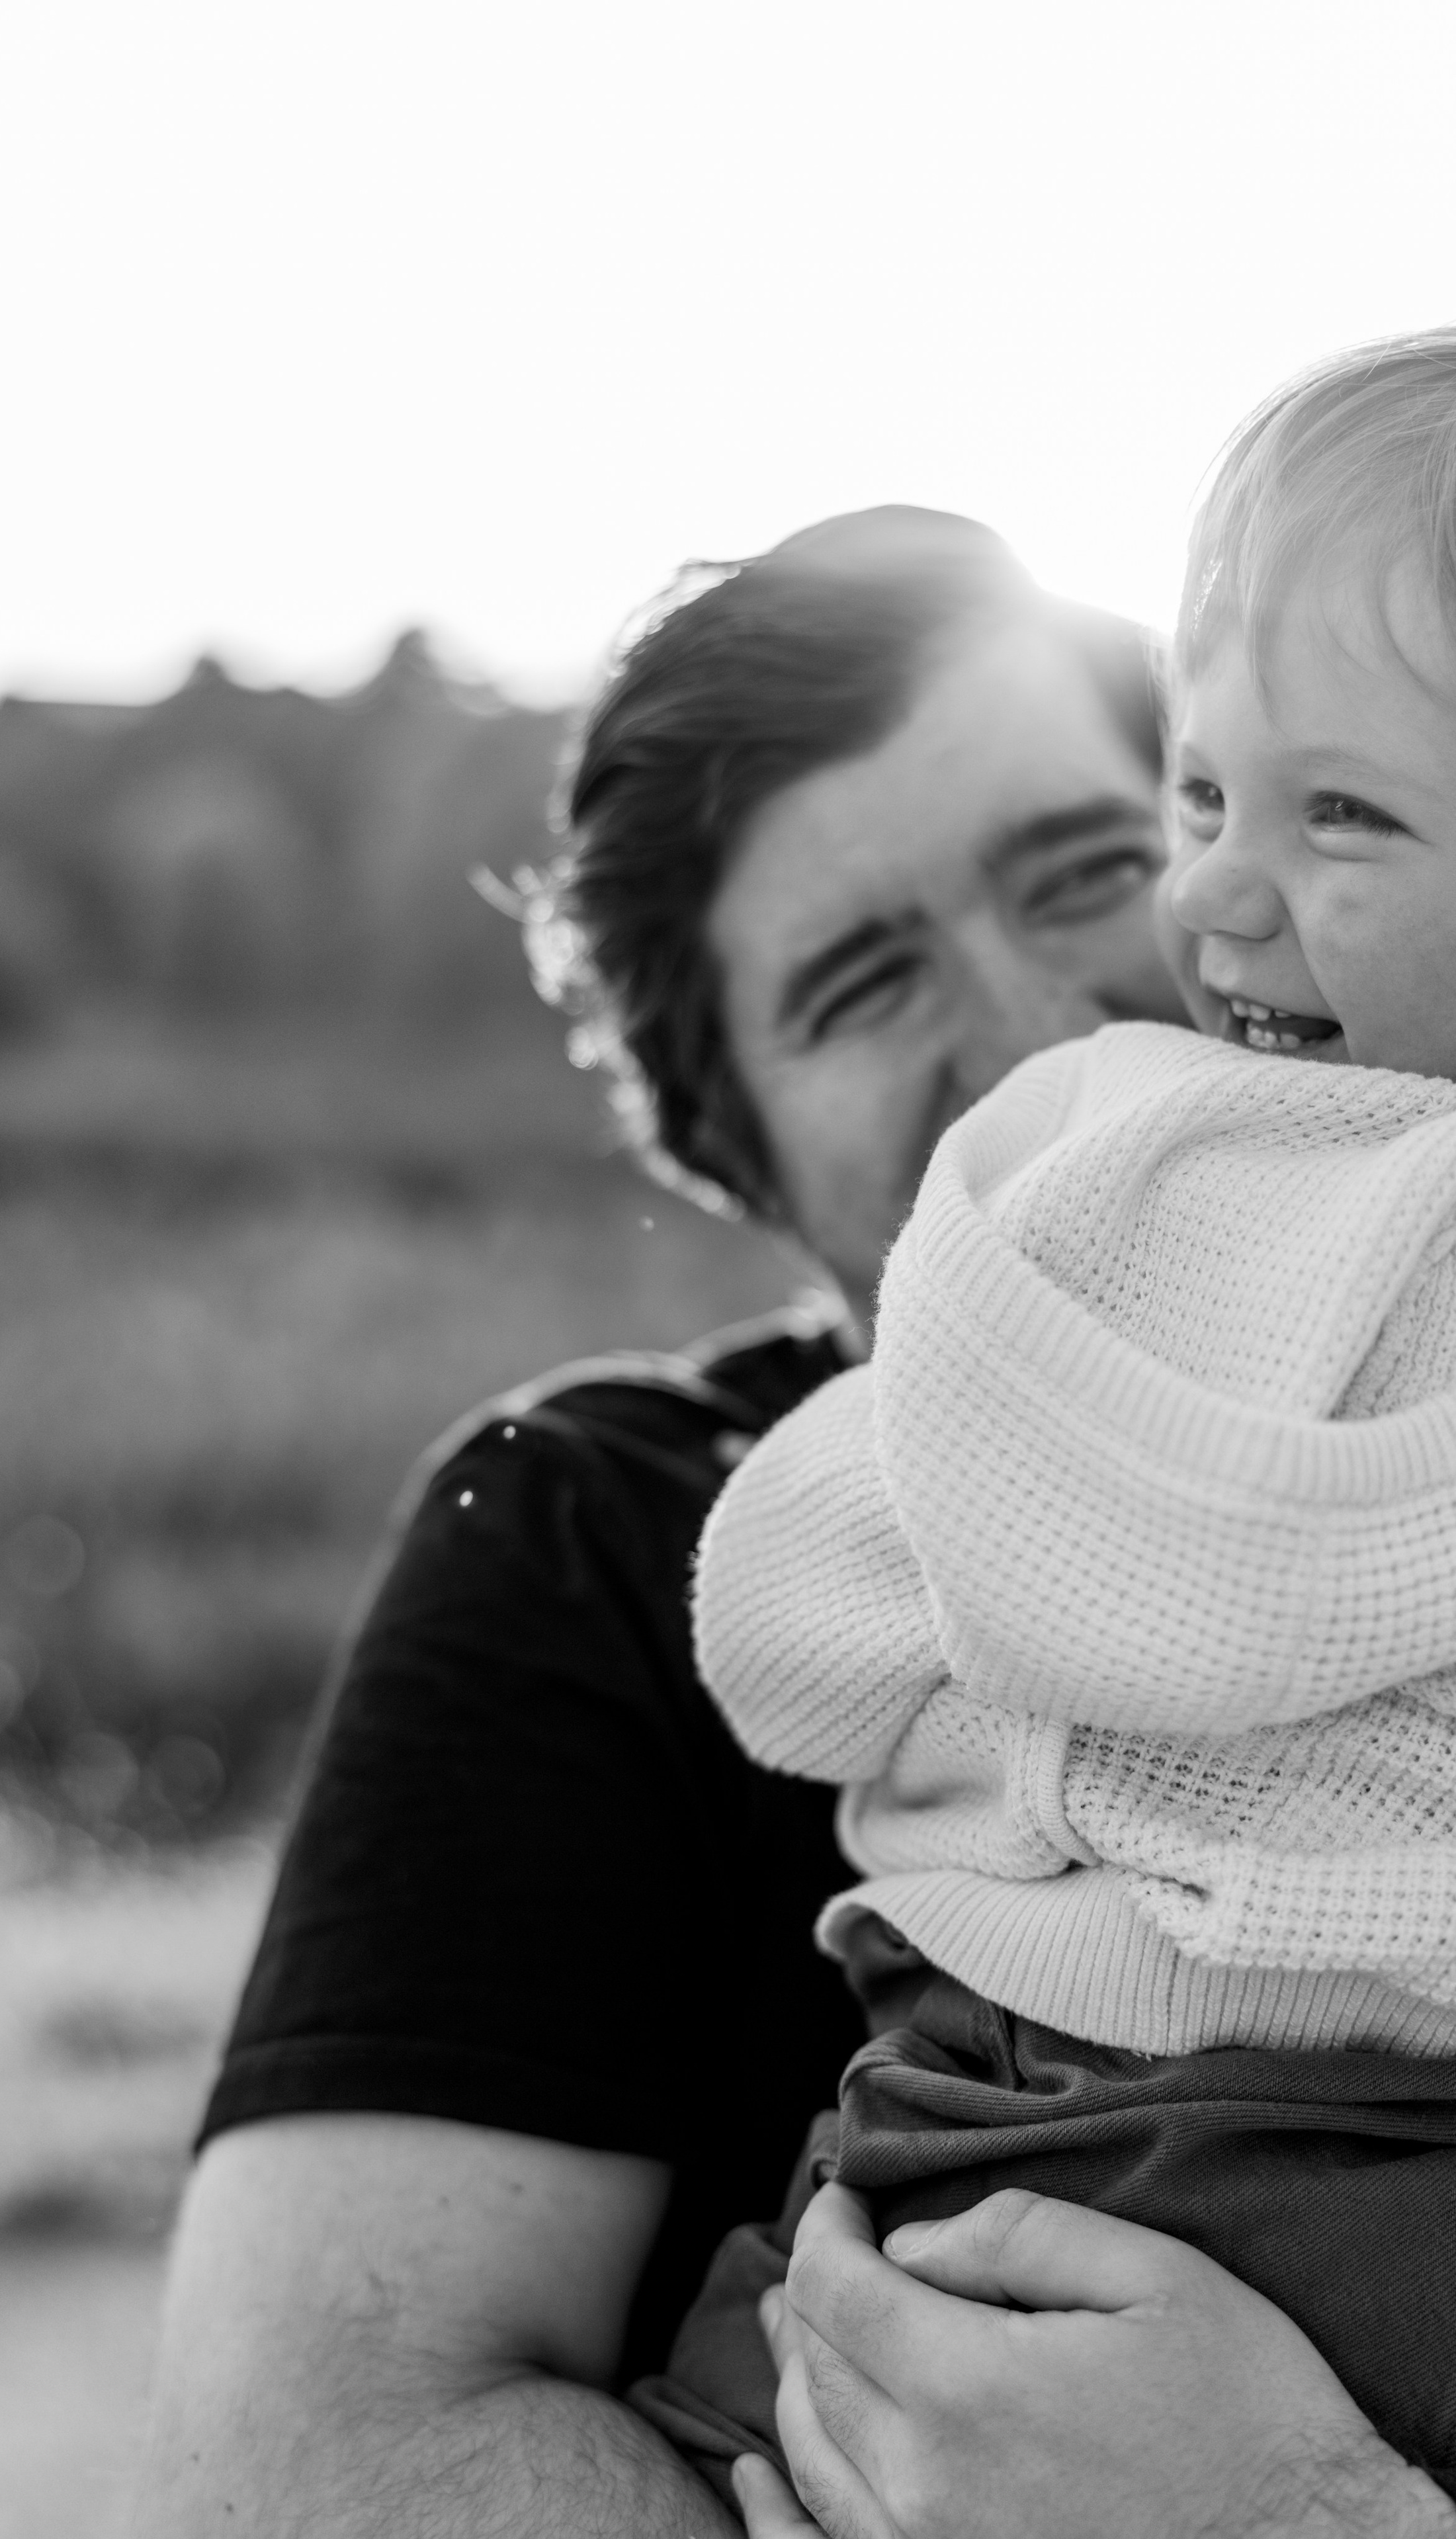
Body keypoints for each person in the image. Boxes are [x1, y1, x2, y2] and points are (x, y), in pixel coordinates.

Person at [132, 501, 1436, 2538]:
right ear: (738, 1155)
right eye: (859, 984)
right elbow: (309, 2472)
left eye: (1080, 867)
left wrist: (1305, 2518)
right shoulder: (594, 1534)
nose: (1039, 1028)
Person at [653, 333, 1456, 2520]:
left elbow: (795, 1624)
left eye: (1345, 814)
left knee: (772, 2404)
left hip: (1046, 2130)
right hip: (1319, 2184)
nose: (1210, 898)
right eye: (1200, 799)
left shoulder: (1140, 1172)